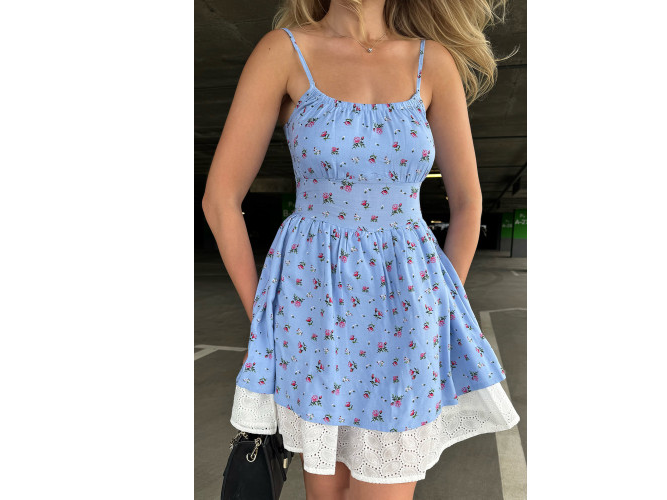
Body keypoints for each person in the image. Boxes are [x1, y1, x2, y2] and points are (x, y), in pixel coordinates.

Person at [202, 1, 519, 498]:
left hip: (407, 311)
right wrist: (264, 321)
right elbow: (220, 198)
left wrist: (436, 310)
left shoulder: (432, 61)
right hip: (313, 311)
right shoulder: (284, 52)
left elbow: (468, 203)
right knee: (324, 493)